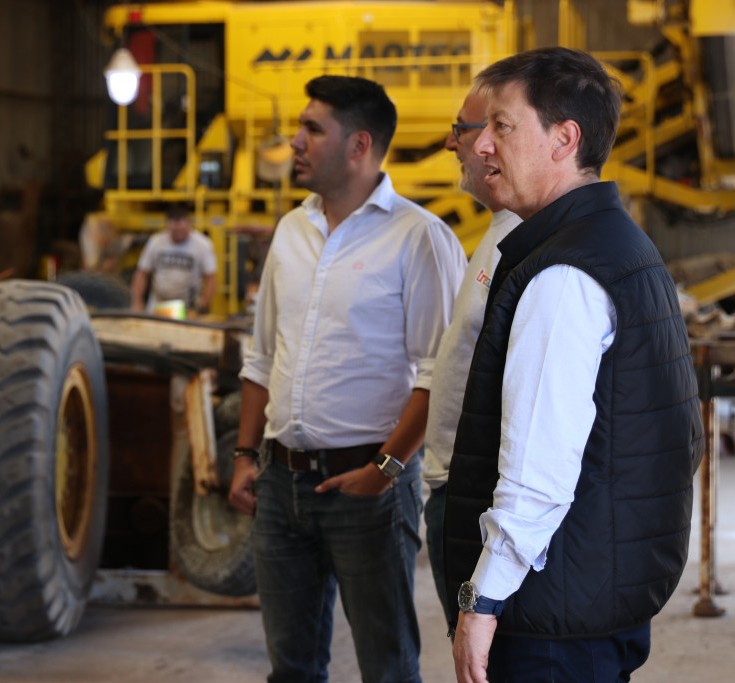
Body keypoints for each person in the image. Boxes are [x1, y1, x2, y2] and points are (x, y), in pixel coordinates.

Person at [443, 47, 704, 683]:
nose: (481, 145)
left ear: (565, 139)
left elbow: (538, 469)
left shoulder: (563, 274)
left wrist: (483, 600)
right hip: (593, 595)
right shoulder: (616, 243)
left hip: (550, 619)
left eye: (502, 126)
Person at [227, 75, 466, 683]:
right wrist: (245, 456)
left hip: (369, 489)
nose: (294, 141)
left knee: (387, 668)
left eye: (312, 129)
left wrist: (386, 469)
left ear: (359, 145)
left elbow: (440, 375)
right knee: (292, 668)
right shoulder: (291, 230)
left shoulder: (419, 238)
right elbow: (262, 356)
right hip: (280, 486)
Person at [422, 88, 522, 633]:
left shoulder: (525, 243)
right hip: (457, 488)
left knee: (486, 658)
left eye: (460, 129)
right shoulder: (498, 232)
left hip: (482, 498)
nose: (451, 143)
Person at [129, 203, 217, 314]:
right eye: (175, 232)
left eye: (182, 231)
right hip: (159, 304)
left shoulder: (202, 244)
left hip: (188, 306)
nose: (179, 235)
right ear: (167, 226)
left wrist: (203, 304)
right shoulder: (156, 242)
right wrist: (137, 302)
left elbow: (210, 278)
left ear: (189, 224)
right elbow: (142, 273)